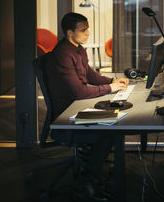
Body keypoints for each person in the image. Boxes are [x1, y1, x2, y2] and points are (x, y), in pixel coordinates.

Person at [46, 12, 129, 201]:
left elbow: (90, 75)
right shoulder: (63, 54)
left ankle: (93, 169)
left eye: (87, 29)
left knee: (113, 119)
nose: (88, 33)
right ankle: (86, 181)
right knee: (108, 133)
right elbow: (79, 92)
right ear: (69, 33)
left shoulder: (78, 49)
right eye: (83, 30)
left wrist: (112, 80)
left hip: (78, 105)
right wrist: (110, 88)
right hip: (67, 115)